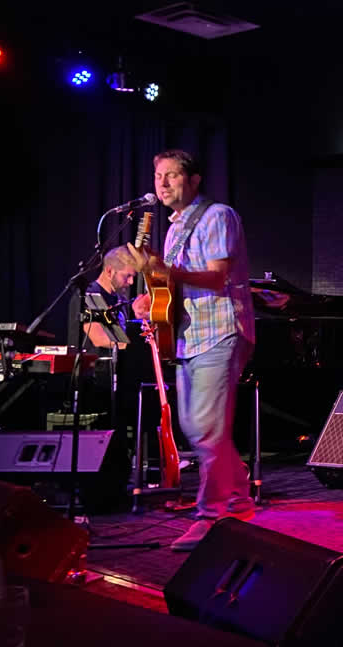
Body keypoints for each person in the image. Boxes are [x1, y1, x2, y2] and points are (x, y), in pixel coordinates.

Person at [125, 149, 257, 552]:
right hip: (188, 335)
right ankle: (239, 498)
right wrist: (149, 299)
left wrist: (163, 270)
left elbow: (217, 278)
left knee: (205, 427)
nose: (162, 183)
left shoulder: (217, 216)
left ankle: (210, 515)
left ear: (194, 179)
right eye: (158, 176)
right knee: (196, 425)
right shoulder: (173, 229)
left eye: (172, 175)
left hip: (220, 330)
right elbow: (172, 284)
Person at [67, 245, 150, 351]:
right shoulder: (88, 296)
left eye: (133, 277)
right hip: (93, 361)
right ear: (109, 271)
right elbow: (100, 339)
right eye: (127, 276)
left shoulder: (119, 299)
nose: (131, 282)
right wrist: (138, 345)